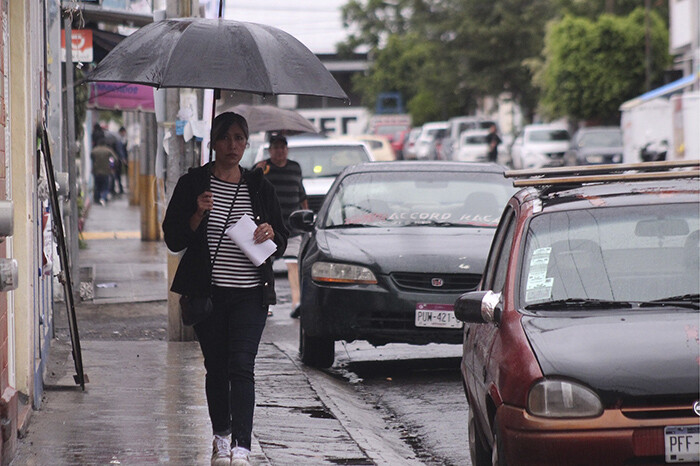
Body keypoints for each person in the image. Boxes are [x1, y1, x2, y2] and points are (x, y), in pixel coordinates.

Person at [162, 112, 288, 466]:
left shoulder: (259, 186)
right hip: (209, 294)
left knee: (241, 365)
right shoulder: (194, 185)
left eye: (239, 138)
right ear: (214, 142)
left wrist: (270, 234)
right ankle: (221, 437)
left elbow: (282, 238)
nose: (232, 145)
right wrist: (197, 214)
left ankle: (242, 447)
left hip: (250, 294)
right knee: (216, 367)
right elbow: (173, 238)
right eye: (225, 138)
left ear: (246, 143)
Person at [255, 134, 308, 318]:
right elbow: (252, 189)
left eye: (283, 147)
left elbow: (301, 194)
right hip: (270, 228)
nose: (280, 151)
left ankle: (297, 303)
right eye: (276, 147)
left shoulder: (295, 168)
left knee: (293, 264)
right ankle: (267, 304)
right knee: (267, 267)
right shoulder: (264, 168)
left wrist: (305, 218)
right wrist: (257, 171)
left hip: (293, 227)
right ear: (270, 150)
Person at [91, 138, 117, 206]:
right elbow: (114, 159)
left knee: (97, 185)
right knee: (105, 186)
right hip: (106, 171)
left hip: (96, 171)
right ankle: (103, 198)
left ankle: (97, 198)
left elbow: (92, 158)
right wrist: (111, 166)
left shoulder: (94, 150)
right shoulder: (108, 151)